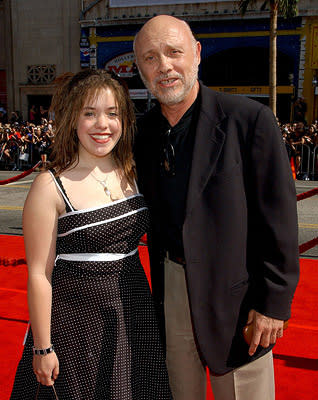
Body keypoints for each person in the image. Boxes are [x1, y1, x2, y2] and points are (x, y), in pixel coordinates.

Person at [133, 15, 299, 400]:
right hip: (171, 287)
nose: (165, 67)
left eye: (174, 53)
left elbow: (278, 219)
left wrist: (273, 302)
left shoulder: (248, 120)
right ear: (140, 68)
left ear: (197, 54)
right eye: (150, 58)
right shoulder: (142, 134)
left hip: (238, 296)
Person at [10, 69, 172, 400]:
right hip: (76, 322)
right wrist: (42, 348)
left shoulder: (134, 171)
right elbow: (40, 274)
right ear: (72, 119)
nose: (103, 125)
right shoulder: (50, 186)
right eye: (90, 113)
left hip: (133, 311)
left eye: (112, 114)